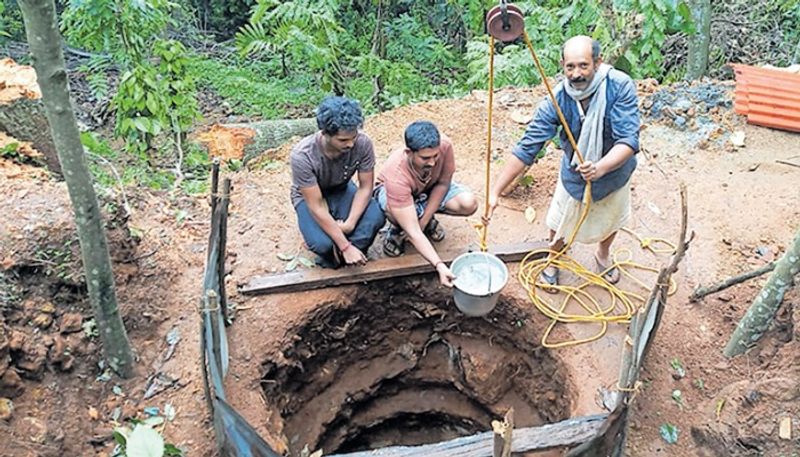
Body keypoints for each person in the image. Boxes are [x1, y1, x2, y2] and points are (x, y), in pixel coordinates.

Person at [485, 35, 640, 287]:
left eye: (583, 65)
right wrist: (495, 190)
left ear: (598, 63)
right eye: (570, 67)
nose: (576, 74)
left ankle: (602, 254)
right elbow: (528, 146)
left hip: (614, 171)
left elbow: (629, 140)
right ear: (562, 65)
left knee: (612, 217)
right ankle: (554, 259)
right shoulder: (557, 98)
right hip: (575, 173)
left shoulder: (619, 86)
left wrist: (600, 168)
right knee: (560, 221)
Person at [376, 120, 478, 287]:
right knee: (401, 217)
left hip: (428, 188)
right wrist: (439, 265)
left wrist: (424, 220)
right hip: (395, 196)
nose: (432, 162)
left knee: (468, 203)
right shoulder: (396, 175)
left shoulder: (444, 145)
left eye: (435, 156)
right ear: (409, 152)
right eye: (425, 158)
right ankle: (397, 229)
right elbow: (414, 232)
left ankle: (425, 217)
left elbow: (443, 183)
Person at [290, 96, 385, 268]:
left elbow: (365, 188)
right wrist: (345, 245)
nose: (350, 144)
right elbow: (316, 205)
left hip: (341, 188)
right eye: (343, 140)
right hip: (310, 197)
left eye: (353, 137)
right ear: (325, 133)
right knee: (321, 244)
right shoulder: (303, 155)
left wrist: (349, 224)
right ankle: (335, 253)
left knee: (375, 216)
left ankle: (348, 253)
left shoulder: (363, 144)